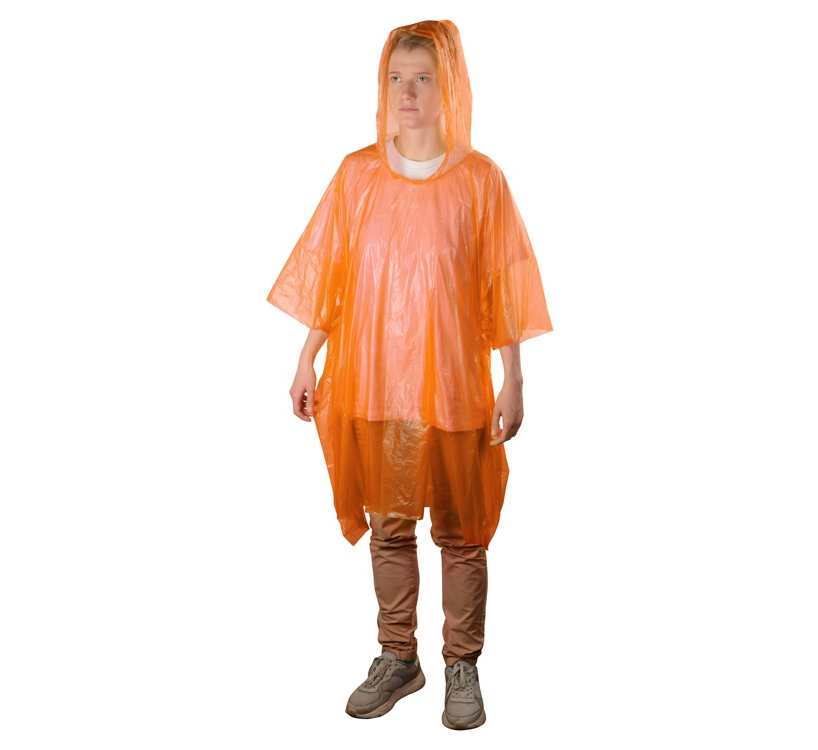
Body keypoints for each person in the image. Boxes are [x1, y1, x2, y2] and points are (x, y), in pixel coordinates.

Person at [267, 20, 551, 730]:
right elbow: (332, 275)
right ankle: (399, 657)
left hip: (453, 388)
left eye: (423, 78)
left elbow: (505, 285)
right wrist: (306, 356)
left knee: (461, 529)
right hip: (376, 384)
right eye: (396, 78)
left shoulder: (479, 182)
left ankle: (462, 664)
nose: (408, 93)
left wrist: (514, 378)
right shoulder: (357, 176)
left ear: (448, 85)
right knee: (389, 523)